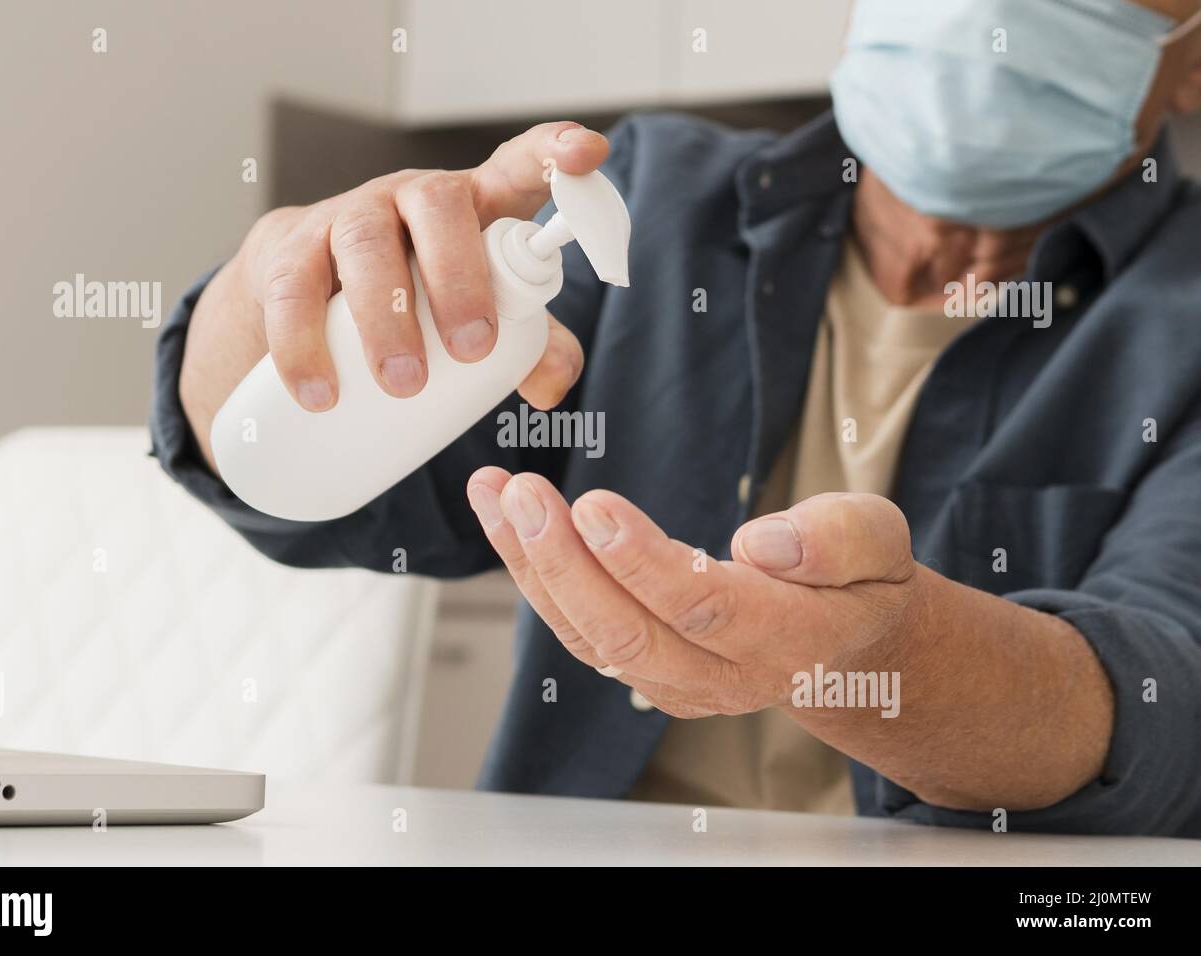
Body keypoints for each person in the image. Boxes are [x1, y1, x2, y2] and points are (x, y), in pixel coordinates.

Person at [152, 0, 1201, 835]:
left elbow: (1168, 716)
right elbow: (331, 506)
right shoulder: (652, 201)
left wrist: (887, 658)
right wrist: (268, 294)